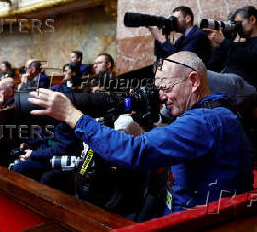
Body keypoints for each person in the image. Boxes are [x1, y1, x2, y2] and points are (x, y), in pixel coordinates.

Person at [28, 51, 254, 215]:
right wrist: (146, 125)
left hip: (195, 221)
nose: (162, 97)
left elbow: (135, 151)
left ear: (193, 81)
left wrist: (71, 115)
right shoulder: (211, 113)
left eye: (166, 88)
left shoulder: (205, 121)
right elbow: (178, 146)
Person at [206, 6, 257, 89]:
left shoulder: (235, 48)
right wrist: (222, 42)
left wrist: (224, 42)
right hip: (230, 86)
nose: (237, 27)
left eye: (239, 23)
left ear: (252, 20)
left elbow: (251, 60)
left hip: (248, 88)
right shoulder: (238, 45)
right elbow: (212, 66)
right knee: (200, 75)